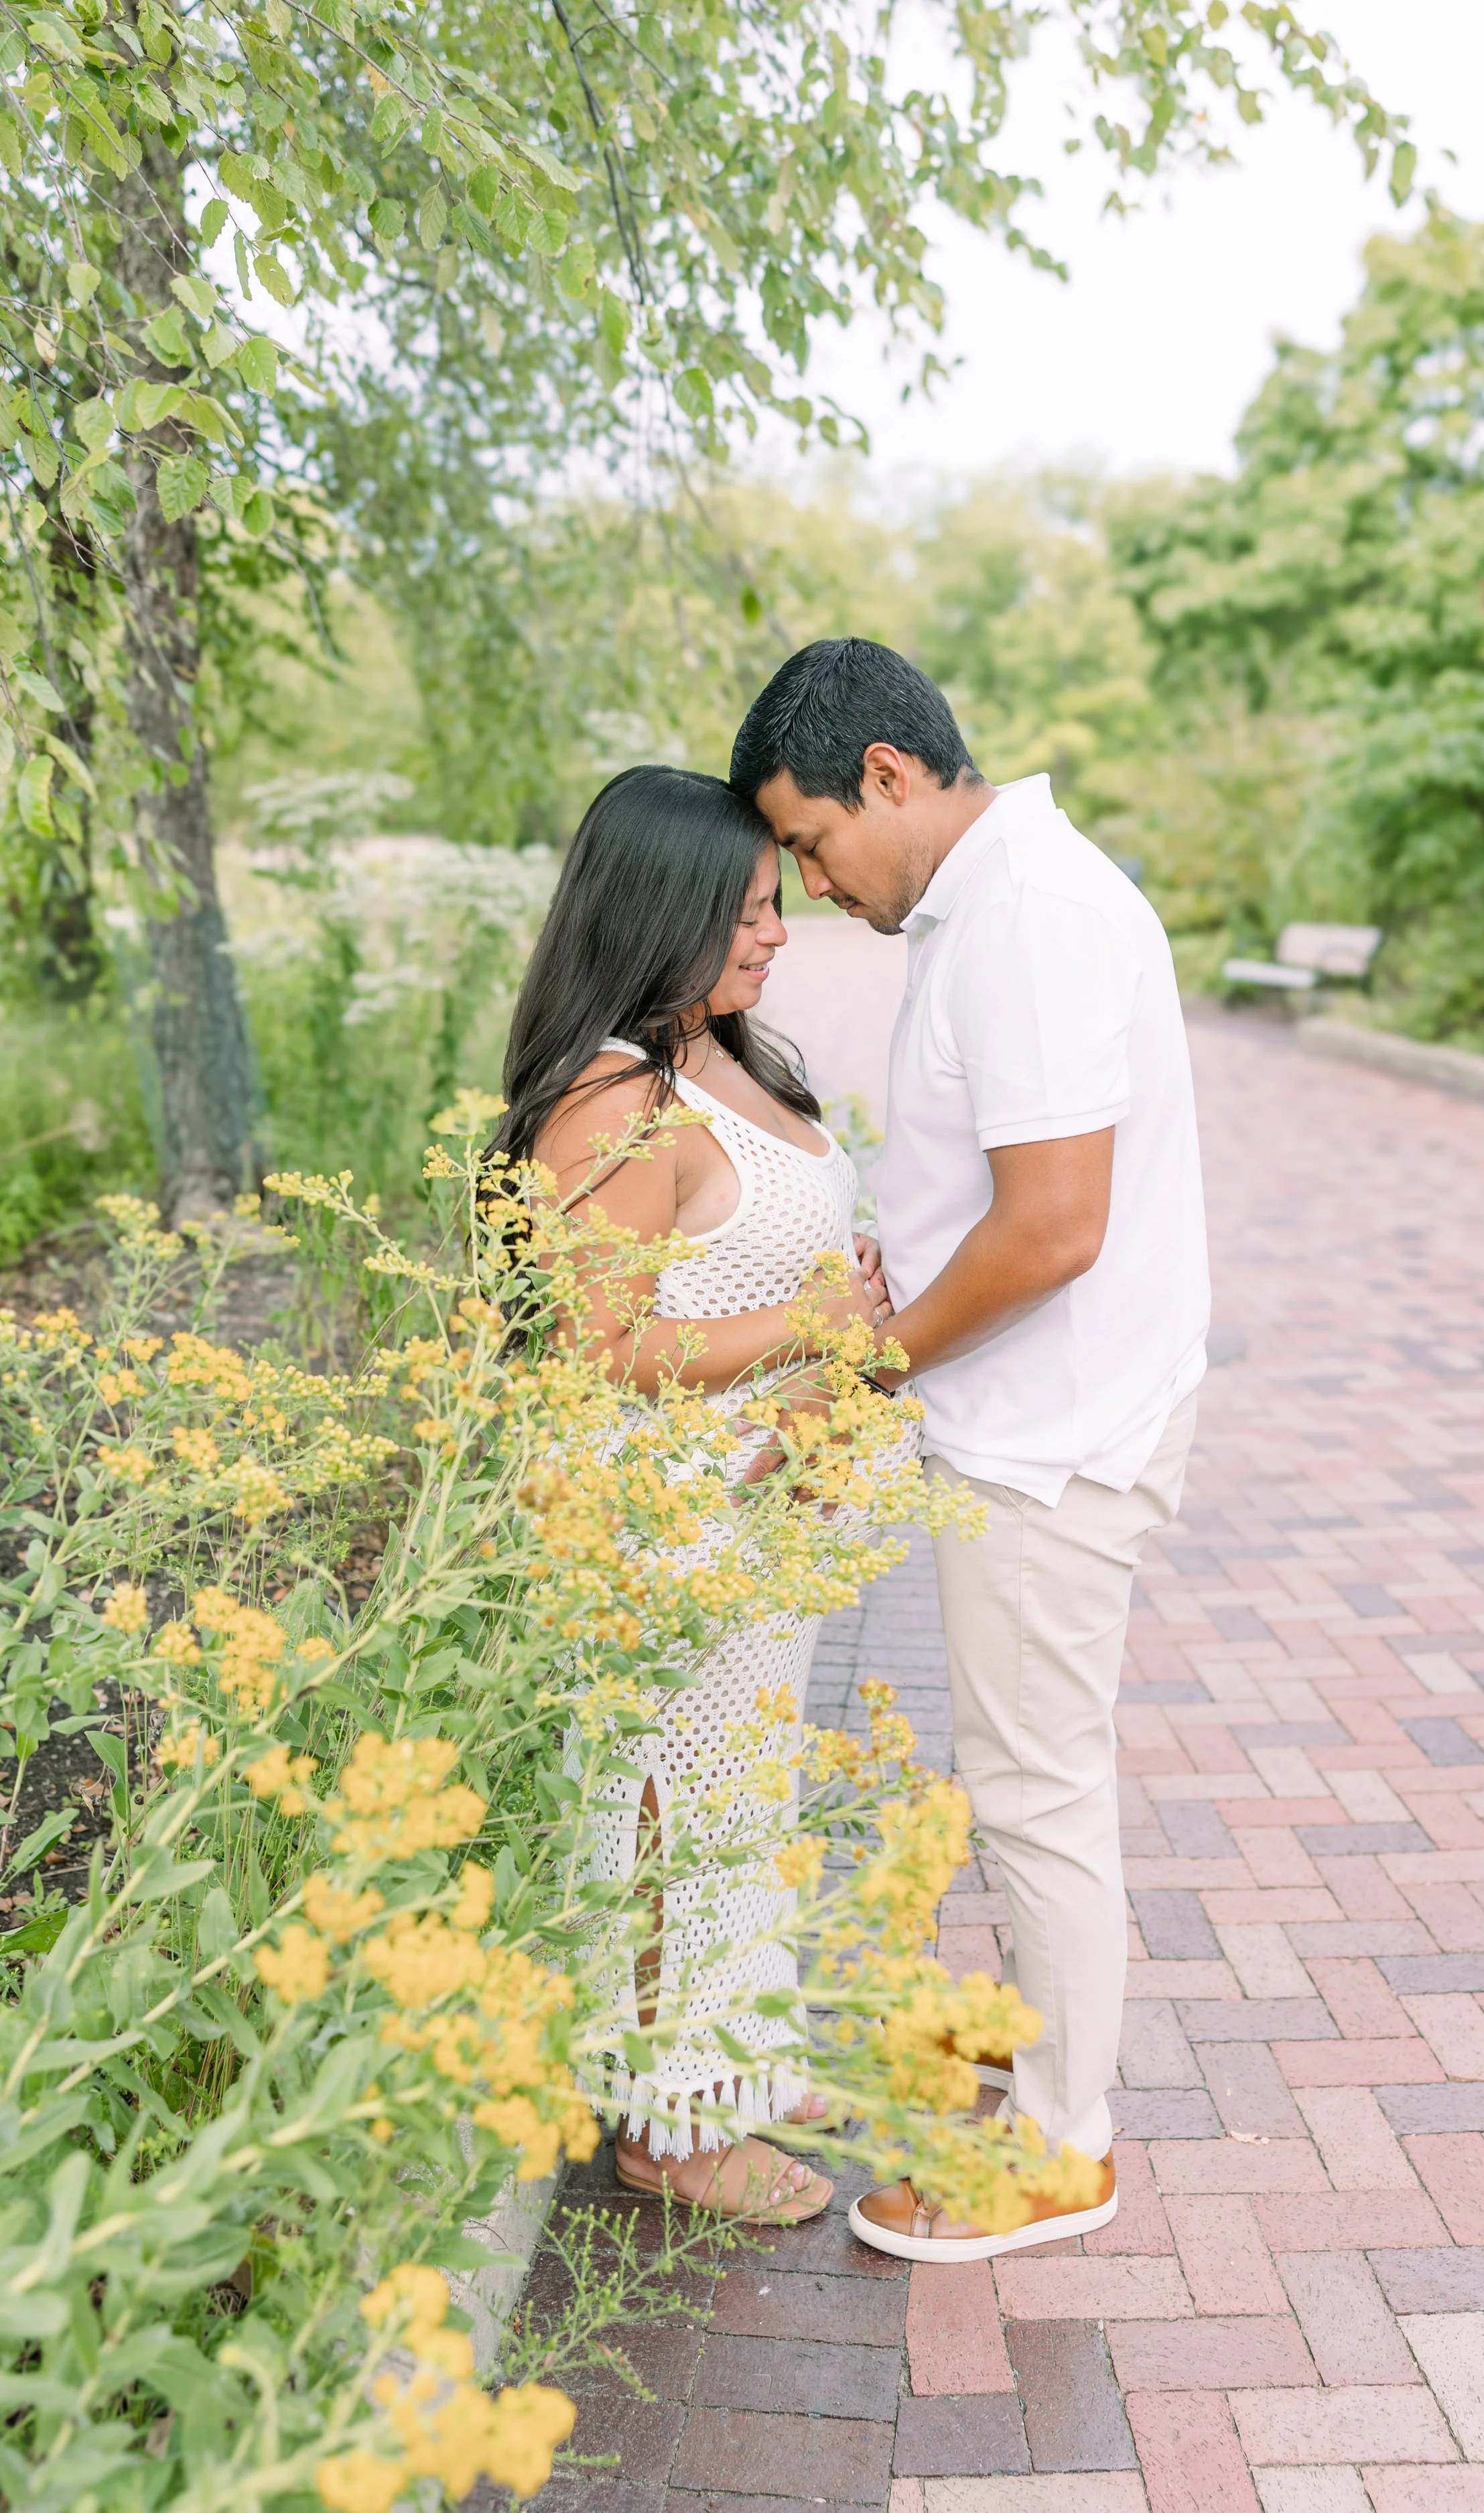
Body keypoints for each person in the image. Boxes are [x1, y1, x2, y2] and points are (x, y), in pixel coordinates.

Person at [732, 639, 1211, 2262]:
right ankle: (1032, 2066)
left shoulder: (1032, 918)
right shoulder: (980, 907)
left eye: (806, 840)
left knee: (1034, 1790)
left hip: (1049, 1439)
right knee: (1022, 1774)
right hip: (1026, 1418)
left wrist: (864, 1371)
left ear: (885, 773)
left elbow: (1052, 1228)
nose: (807, 880)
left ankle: (1060, 2151)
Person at [496, 763, 891, 2223]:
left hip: (761, 1504)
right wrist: (818, 1334)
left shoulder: (729, 1060)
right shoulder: (608, 1097)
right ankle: (666, 2127)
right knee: (667, 1812)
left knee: (743, 1803)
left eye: (776, 904)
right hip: (668, 1522)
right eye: (740, 914)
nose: (772, 935)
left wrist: (840, 1354)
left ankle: (737, 2066)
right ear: (653, 914)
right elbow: (598, 1351)